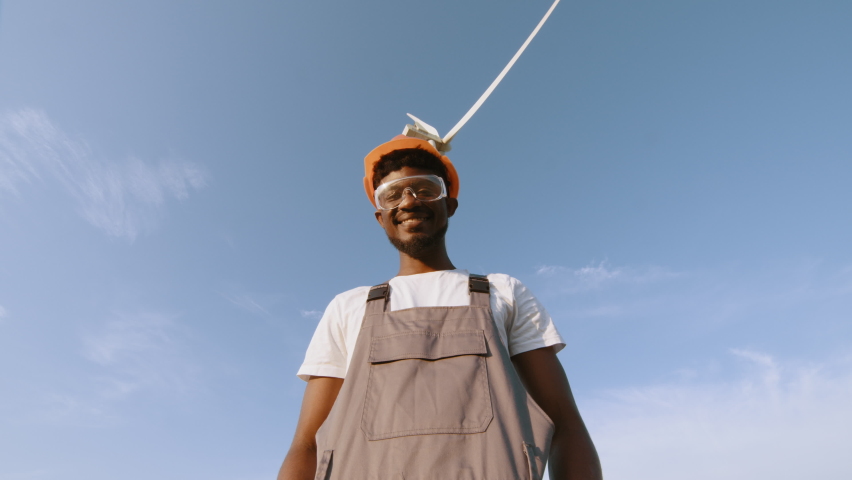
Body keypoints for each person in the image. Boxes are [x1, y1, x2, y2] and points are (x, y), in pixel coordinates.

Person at [278, 135, 602, 480]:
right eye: (392, 194)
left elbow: (567, 427)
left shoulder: (505, 293)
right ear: (380, 216)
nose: (409, 201)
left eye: (425, 189)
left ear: (450, 204)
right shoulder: (348, 307)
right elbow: (307, 445)